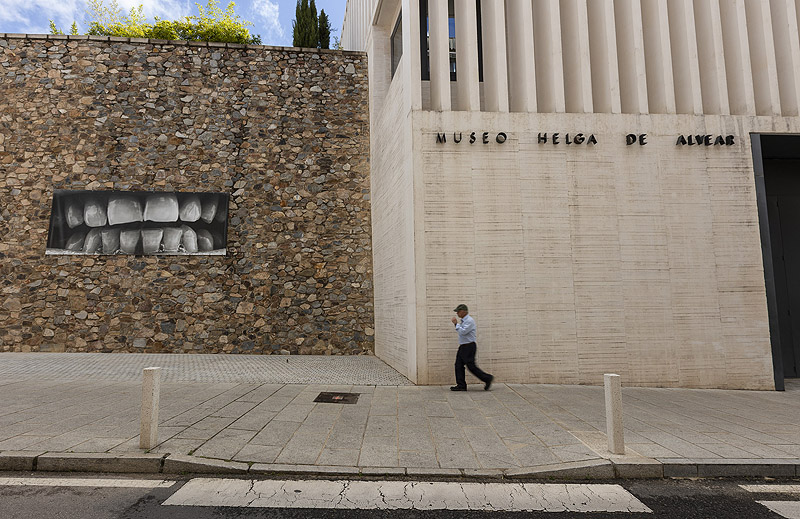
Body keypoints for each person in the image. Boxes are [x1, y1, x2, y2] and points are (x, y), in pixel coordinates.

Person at [450, 304, 493, 391]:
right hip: (463, 346)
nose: (457, 313)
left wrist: (456, 324)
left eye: (458, 311)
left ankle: (487, 378)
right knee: (458, 365)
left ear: (463, 312)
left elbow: (463, 332)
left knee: (471, 366)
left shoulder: (469, 321)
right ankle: (461, 385)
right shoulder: (464, 320)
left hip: (468, 346)